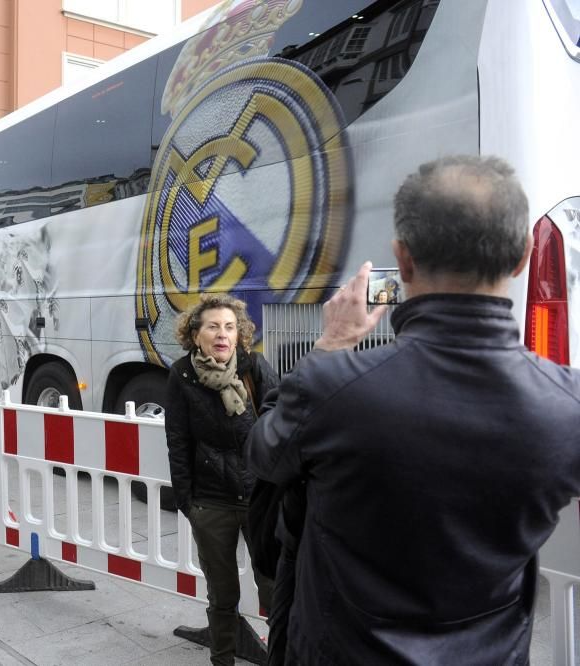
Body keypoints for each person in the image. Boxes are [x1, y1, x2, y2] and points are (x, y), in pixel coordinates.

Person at [246, 155, 580, 664]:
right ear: (523, 257)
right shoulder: (567, 405)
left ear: (401, 261)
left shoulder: (335, 389)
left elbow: (264, 454)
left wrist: (331, 346)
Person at [164, 293, 279, 666]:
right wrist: (188, 502)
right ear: (195, 334)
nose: (222, 334)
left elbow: (281, 423)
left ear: (239, 333)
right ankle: (223, 659)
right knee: (222, 592)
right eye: (213, 326)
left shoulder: (254, 367)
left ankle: (283, 655)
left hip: (259, 496)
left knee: (275, 588)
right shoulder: (181, 374)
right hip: (211, 501)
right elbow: (178, 440)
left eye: (229, 327)